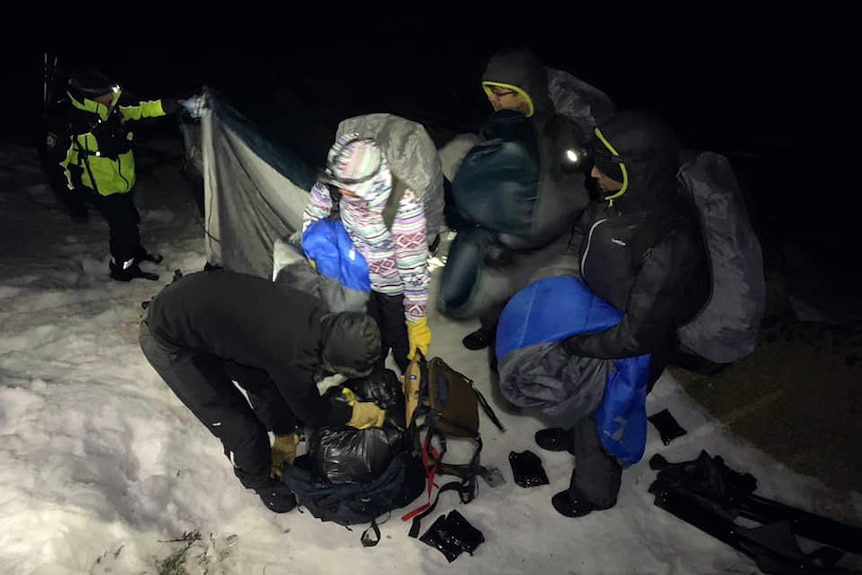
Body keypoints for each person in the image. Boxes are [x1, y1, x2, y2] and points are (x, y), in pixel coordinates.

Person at [534, 110, 709, 518]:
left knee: (604, 414)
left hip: (630, 347)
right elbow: (582, 245)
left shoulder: (669, 240)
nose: (594, 173)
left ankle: (595, 491)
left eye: (606, 167)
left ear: (640, 171)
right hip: (596, 322)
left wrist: (580, 344)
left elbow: (639, 334)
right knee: (578, 392)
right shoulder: (615, 203)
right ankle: (577, 435)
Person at [139, 269, 387, 513]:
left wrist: (283, 430)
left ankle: (275, 427)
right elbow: (312, 410)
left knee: (264, 386)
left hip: (207, 311)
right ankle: (261, 482)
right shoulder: (293, 351)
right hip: (167, 337)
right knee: (242, 430)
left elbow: (274, 378)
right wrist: (352, 415)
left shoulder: (316, 314)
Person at [451, 47, 592, 352]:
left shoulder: (562, 131)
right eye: (489, 92)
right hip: (498, 237)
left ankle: (510, 346)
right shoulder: (499, 128)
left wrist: (525, 233)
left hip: (540, 245)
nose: (493, 100)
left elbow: (571, 197)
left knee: (522, 303)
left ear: (526, 93)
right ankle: (490, 330)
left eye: (501, 93)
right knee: (490, 294)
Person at [302, 134, 432, 374]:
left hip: (392, 287)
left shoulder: (401, 206)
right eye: (337, 184)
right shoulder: (335, 184)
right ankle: (375, 378)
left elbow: (414, 272)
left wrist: (417, 322)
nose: (339, 190)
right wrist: (313, 247)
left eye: (347, 188)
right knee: (368, 339)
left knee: (399, 339)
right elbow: (313, 215)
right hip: (356, 280)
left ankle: (412, 383)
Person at [43, 68, 180, 281]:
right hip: (100, 186)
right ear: (88, 98)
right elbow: (57, 166)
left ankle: (135, 253)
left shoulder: (113, 108)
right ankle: (123, 269)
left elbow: (141, 109)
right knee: (122, 225)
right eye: (104, 95)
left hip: (123, 180)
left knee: (129, 218)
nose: (110, 97)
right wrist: (71, 201)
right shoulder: (70, 123)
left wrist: (169, 105)